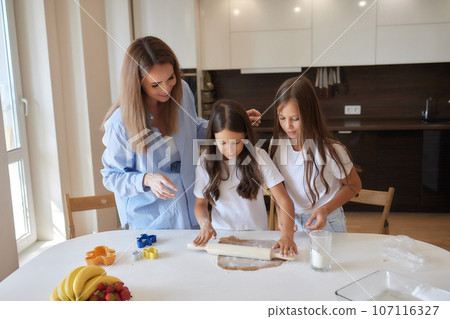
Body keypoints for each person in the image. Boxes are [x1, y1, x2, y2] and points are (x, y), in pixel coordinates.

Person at [101, 36, 261, 230]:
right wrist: (147, 179)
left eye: (170, 78)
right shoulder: (120, 123)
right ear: (137, 84)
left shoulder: (182, 91)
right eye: (155, 84)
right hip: (151, 222)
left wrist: (230, 124)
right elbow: (111, 176)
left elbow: (194, 128)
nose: (167, 89)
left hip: (191, 213)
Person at [192, 99, 298, 256]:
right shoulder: (205, 161)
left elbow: (284, 200)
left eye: (237, 142)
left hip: (258, 237)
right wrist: (204, 224)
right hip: (222, 238)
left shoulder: (258, 157)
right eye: (223, 143)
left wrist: (287, 235)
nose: (230, 150)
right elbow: (200, 205)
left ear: (246, 136)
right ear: (213, 138)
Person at [270, 77, 362, 232]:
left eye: (295, 119)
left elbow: (354, 185)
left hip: (328, 221)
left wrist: (325, 209)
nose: (288, 126)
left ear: (309, 114)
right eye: (282, 118)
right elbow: (279, 186)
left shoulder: (331, 150)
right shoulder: (277, 144)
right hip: (294, 222)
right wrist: (281, 213)